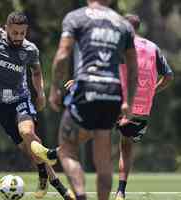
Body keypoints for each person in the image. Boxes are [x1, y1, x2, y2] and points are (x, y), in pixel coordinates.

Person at [0, 11, 74, 200]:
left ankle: (56, 176)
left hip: (21, 98)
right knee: (28, 149)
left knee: (27, 133)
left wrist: (41, 93)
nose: (19, 37)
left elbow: (36, 72)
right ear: (6, 29)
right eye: (15, 33)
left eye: (22, 33)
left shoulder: (30, 50)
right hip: (0, 105)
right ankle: (46, 175)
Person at [31, 1, 138, 200]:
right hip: (112, 92)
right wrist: (128, 102)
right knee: (103, 158)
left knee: (67, 149)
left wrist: (54, 88)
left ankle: (80, 196)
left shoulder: (76, 17)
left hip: (87, 88)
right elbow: (133, 69)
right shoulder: (123, 25)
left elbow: (63, 55)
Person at [115, 14, 174, 200]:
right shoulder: (153, 47)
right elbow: (169, 76)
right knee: (126, 145)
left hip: (120, 104)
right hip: (143, 109)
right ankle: (120, 192)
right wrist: (152, 91)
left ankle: (56, 154)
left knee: (91, 131)